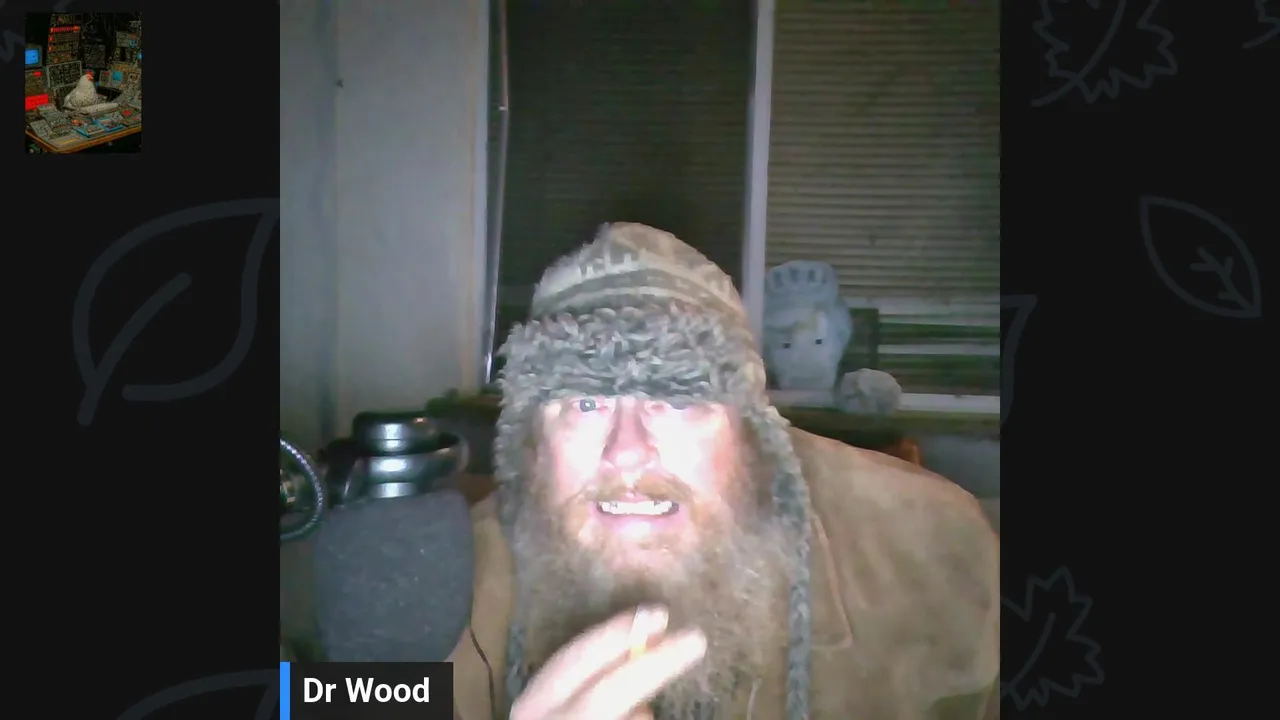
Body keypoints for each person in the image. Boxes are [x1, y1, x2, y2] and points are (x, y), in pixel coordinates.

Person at [448, 223, 999, 720]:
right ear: (533, 443)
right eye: (585, 404)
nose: (627, 453)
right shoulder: (442, 587)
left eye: (679, 398)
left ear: (750, 430)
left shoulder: (937, 550)